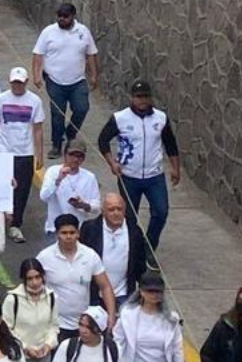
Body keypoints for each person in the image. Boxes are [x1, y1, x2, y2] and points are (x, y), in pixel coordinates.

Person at [98, 78, 181, 254]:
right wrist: (112, 163)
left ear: (150, 98)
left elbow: (170, 143)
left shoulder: (161, 118)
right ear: (131, 98)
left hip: (154, 175)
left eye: (145, 96)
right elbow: (103, 140)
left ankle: (148, 247)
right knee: (128, 217)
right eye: (138, 97)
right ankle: (130, 250)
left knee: (161, 212)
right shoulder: (120, 118)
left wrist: (175, 168)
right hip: (129, 176)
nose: (142, 100)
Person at [31, 3, 99, 159]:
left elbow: (91, 55)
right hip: (54, 80)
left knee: (82, 108)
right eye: (59, 16)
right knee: (57, 114)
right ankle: (56, 144)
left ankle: (71, 132)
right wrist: (36, 75)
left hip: (77, 80)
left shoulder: (83, 31)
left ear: (73, 16)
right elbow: (38, 55)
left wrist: (94, 75)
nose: (62, 19)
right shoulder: (48, 32)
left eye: (65, 16)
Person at [35, 214, 116, 340]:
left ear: (78, 233)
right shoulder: (44, 258)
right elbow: (33, 288)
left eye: (72, 232)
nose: (68, 237)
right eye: (64, 233)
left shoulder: (90, 255)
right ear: (57, 234)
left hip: (84, 325)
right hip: (54, 325)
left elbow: (105, 287)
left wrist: (111, 316)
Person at [0, 66, 44, 242]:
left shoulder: (34, 101)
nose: (17, 86)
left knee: (21, 190)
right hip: (4, 151)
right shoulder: (0, 100)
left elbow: (38, 129)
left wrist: (39, 155)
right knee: (0, 187)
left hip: (25, 152)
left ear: (26, 82)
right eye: (14, 83)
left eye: (20, 83)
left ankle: (15, 224)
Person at [2, 259, 60, 362]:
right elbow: (7, 329)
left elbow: (53, 326)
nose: (34, 282)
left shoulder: (52, 298)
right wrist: (25, 347)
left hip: (43, 357)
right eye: (30, 278)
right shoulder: (13, 299)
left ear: (43, 276)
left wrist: (48, 345)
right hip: (19, 357)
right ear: (24, 279)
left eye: (37, 277)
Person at [80, 193, 146, 306]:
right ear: (103, 211)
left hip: (123, 294)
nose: (116, 213)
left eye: (119, 209)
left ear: (125, 210)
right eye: (111, 210)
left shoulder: (134, 232)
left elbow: (140, 264)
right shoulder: (89, 229)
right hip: (95, 294)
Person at [39, 139, 100, 236]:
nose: (76, 159)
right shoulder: (53, 171)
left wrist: (84, 205)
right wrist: (58, 180)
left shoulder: (90, 177)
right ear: (65, 154)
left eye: (80, 156)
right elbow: (44, 196)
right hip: (55, 230)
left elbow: (96, 207)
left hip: (79, 230)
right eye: (72, 155)